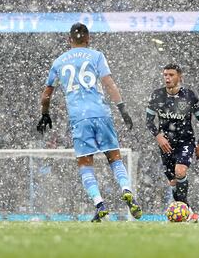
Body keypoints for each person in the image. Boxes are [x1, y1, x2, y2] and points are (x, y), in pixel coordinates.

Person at [37, 22, 142, 222]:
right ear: (88, 39)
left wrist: (45, 113)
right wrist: (122, 108)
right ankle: (126, 189)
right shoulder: (96, 56)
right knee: (115, 158)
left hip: (79, 117)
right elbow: (109, 83)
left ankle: (99, 203)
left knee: (85, 163)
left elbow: (46, 94)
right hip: (101, 113)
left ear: (69, 40)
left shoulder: (59, 62)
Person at [146, 64, 199, 222]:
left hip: (185, 141)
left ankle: (183, 209)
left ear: (179, 77)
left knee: (180, 172)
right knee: (173, 181)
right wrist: (158, 135)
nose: (167, 78)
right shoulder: (157, 95)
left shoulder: (189, 96)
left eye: (171, 75)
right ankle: (189, 212)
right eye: (165, 75)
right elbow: (148, 121)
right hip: (165, 144)